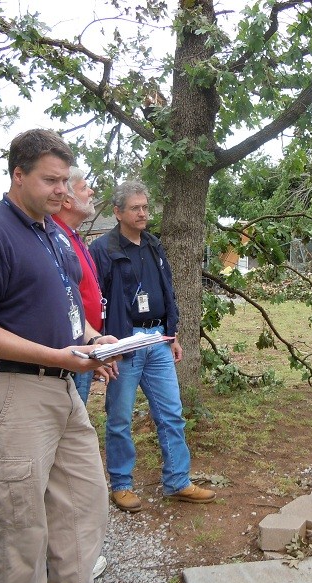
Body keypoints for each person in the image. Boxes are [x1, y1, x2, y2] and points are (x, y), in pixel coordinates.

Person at [0, 129, 115, 583]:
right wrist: (58, 356)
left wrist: (93, 341)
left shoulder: (52, 236)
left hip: (62, 386)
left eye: (65, 181)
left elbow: (67, 310)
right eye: (51, 181)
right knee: (21, 522)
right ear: (17, 175)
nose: (62, 190)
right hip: (13, 392)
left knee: (83, 505)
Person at [89, 180, 216, 513]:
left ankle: (177, 481)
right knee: (119, 419)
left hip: (158, 339)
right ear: (118, 212)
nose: (143, 213)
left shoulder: (154, 245)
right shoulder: (103, 249)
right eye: (136, 208)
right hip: (124, 343)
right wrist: (103, 348)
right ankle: (121, 484)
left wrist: (173, 334)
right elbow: (94, 300)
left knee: (171, 414)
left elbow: (167, 290)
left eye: (145, 207)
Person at [53, 166, 109, 404]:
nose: (92, 191)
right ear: (67, 200)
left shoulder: (74, 237)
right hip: (69, 353)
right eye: (84, 187)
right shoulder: (55, 239)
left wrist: (95, 343)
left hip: (86, 346)